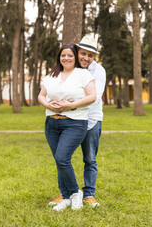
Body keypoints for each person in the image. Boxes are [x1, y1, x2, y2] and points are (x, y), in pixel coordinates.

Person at [49, 35, 106, 207]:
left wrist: (67, 104)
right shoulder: (68, 69)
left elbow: (94, 97)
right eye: (83, 53)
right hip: (69, 121)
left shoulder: (99, 71)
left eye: (90, 55)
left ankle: (88, 194)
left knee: (89, 158)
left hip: (90, 120)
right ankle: (65, 193)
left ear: (94, 57)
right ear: (77, 52)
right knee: (62, 158)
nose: (86, 58)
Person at [38, 43, 96, 211]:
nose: (66, 58)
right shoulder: (52, 74)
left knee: (62, 158)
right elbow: (41, 95)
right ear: (59, 57)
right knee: (59, 161)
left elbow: (92, 96)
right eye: (63, 55)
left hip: (75, 123)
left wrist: (71, 105)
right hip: (52, 123)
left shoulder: (82, 74)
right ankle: (65, 197)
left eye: (70, 55)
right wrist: (48, 104)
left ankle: (75, 192)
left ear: (75, 57)